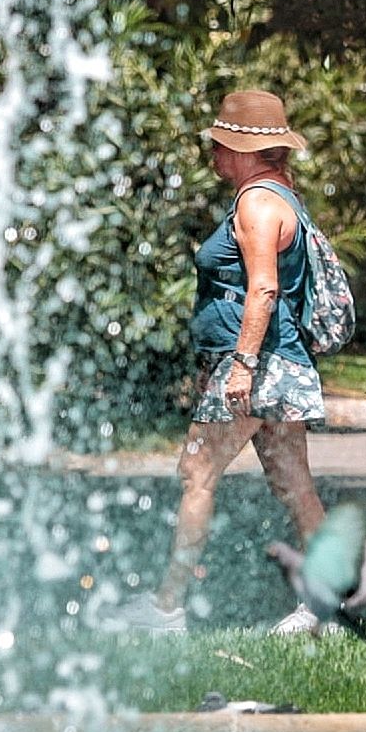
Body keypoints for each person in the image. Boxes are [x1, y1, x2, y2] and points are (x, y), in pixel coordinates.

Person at [105, 90, 330, 634]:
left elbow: (264, 289)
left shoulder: (256, 204)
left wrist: (242, 365)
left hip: (257, 364)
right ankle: (327, 606)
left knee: (197, 474)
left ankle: (166, 609)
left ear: (249, 150)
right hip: (283, 363)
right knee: (294, 483)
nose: (214, 155)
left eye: (222, 145)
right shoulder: (280, 195)